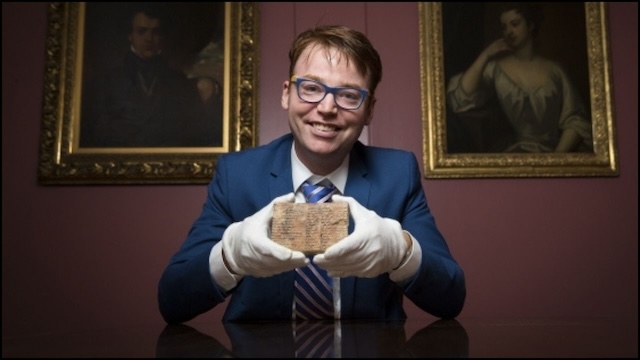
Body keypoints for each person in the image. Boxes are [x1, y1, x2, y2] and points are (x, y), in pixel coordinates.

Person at [158, 25, 466, 323]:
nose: (327, 107)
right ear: (286, 94)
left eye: (348, 95)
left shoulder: (398, 175)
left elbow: (451, 297)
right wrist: (229, 258)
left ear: (369, 109)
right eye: (311, 88)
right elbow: (172, 300)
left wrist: (402, 252)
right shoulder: (236, 175)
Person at [446, 3, 593, 153]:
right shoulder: (496, 68)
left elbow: (575, 121)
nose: (508, 32)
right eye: (504, 27)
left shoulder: (557, 71)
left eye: (515, 24)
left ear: (531, 25)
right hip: (515, 154)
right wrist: (486, 55)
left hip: (555, 154)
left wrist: (555, 159)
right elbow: (463, 96)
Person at [80, 6, 219, 148]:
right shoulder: (107, 82)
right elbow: (99, 134)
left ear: (162, 37)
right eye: (142, 31)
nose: (149, 39)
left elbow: (190, 134)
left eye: (155, 32)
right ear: (130, 36)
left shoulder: (179, 82)